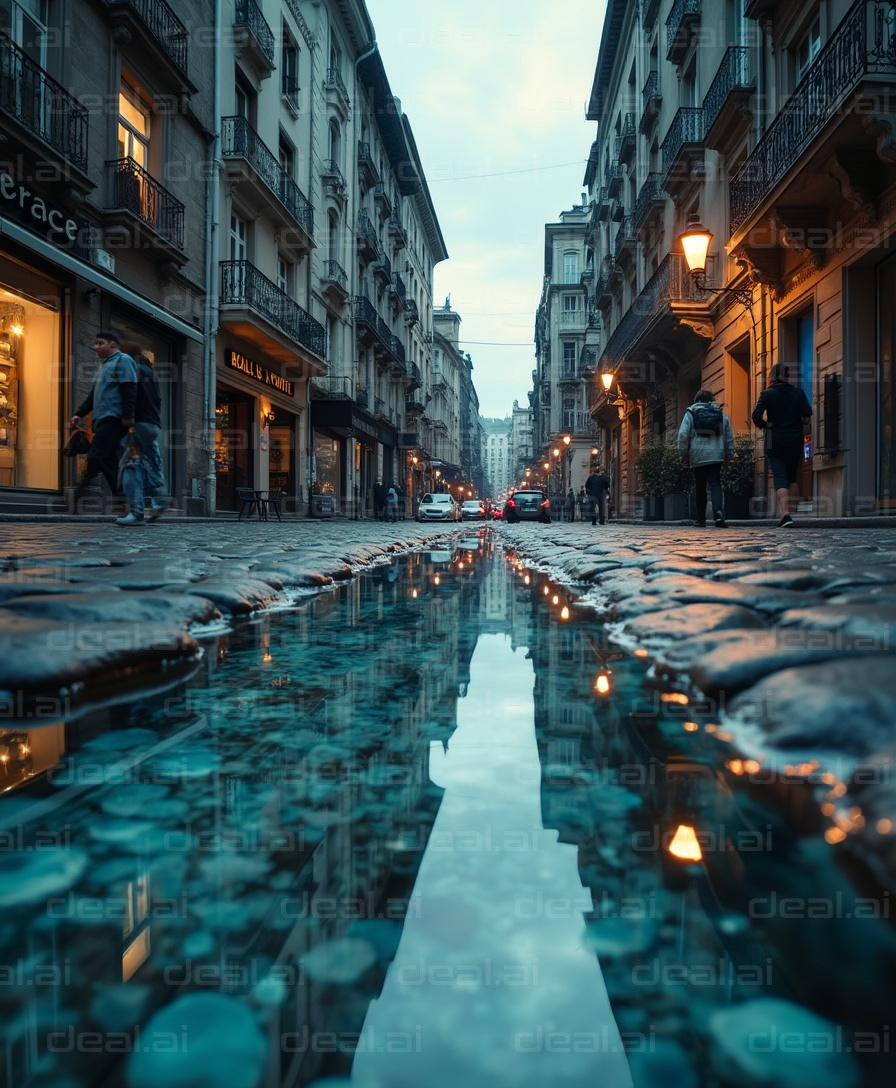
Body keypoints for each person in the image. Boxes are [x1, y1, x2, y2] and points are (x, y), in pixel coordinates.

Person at [70, 332, 137, 511]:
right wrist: (79, 414)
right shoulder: (103, 366)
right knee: (107, 462)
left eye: (100, 343)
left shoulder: (123, 360)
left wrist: (127, 417)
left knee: (95, 456)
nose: (96, 347)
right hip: (101, 420)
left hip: (114, 419)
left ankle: (78, 496)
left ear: (112, 345)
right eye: (96, 343)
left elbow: (129, 388)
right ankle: (123, 502)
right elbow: (93, 395)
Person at [115, 341, 172, 526]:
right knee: (151, 463)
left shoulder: (132, 369)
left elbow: (129, 395)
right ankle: (161, 499)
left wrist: (127, 418)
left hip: (137, 424)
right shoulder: (151, 373)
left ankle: (137, 512)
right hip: (152, 424)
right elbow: (158, 399)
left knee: (131, 465)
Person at [752, 363, 812, 528]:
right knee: (792, 477)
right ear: (787, 376)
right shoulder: (798, 393)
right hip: (795, 438)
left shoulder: (767, 394)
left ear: (773, 376)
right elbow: (807, 415)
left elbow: (756, 416)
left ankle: (785, 514)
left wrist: (767, 426)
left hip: (775, 439)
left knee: (779, 476)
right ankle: (791, 514)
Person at [677, 388, 734, 528]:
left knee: (700, 486)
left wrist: (683, 454)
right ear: (711, 400)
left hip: (698, 456)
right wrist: (730, 454)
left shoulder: (691, 412)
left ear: (696, 400)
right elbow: (728, 435)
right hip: (716, 455)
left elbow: (683, 435)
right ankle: (718, 514)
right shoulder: (720, 413)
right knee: (715, 484)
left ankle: (700, 519)